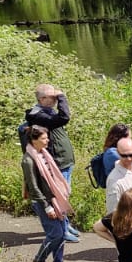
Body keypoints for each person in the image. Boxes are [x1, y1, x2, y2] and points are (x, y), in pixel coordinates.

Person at [26, 84, 79, 241]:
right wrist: (62, 97)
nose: (56, 99)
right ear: (42, 99)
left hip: (65, 161)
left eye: (57, 97)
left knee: (65, 195)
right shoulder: (38, 116)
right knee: (58, 198)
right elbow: (64, 118)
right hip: (57, 163)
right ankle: (62, 231)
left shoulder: (47, 112)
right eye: (52, 97)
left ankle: (65, 224)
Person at [22, 124, 72, 262]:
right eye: (44, 138)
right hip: (43, 202)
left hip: (55, 199)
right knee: (55, 233)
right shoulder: (28, 160)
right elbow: (34, 187)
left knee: (62, 232)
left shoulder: (44, 153)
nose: (47, 141)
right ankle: (39, 259)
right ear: (34, 140)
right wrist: (47, 206)